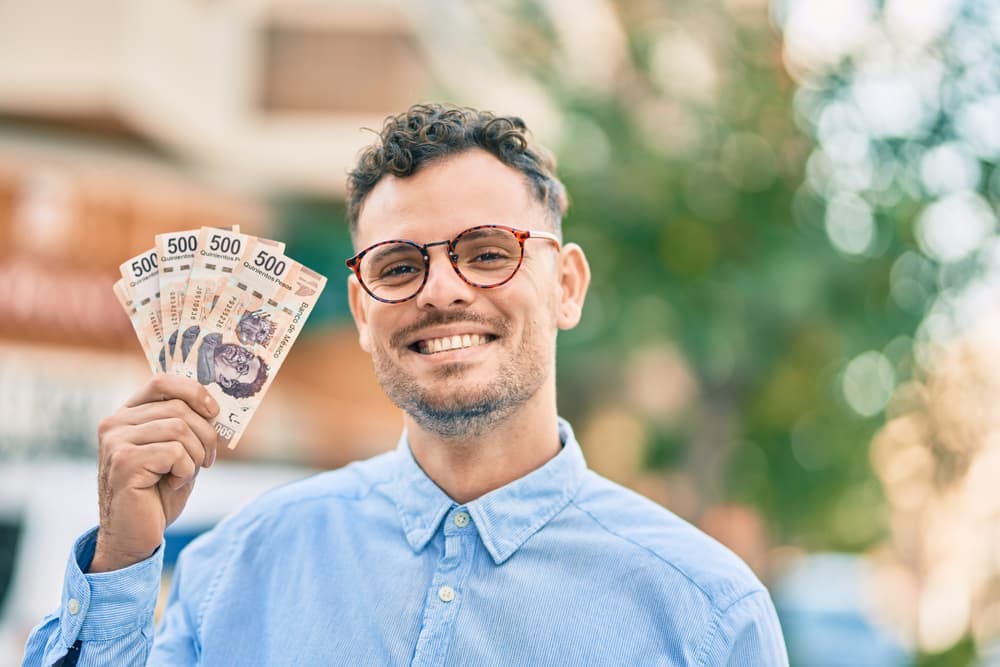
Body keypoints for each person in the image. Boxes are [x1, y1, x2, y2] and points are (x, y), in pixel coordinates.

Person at [22, 104, 788, 665]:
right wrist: (123, 558)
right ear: (361, 309)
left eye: (489, 252)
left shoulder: (709, 615)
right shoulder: (235, 570)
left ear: (567, 285)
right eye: (398, 266)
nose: (442, 291)